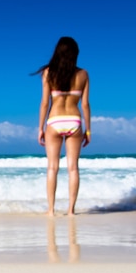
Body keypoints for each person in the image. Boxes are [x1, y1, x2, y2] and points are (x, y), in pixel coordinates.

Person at [34, 36, 91, 216]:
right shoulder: (83, 74)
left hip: (55, 120)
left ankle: (51, 211)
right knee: (73, 167)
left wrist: (40, 128)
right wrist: (88, 129)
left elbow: (44, 103)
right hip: (74, 120)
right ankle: (71, 210)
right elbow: (85, 105)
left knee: (52, 167)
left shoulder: (48, 73)